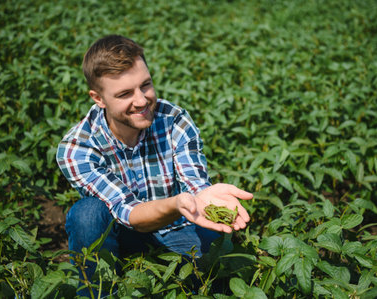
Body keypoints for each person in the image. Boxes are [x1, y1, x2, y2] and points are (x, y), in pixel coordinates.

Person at [56, 34, 253, 297]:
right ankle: (97, 292)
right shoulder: (77, 148)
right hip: (120, 232)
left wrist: (203, 196)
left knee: (220, 260)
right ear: (98, 98)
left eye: (145, 85)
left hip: (176, 226)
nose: (141, 101)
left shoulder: (174, 121)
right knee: (86, 215)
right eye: (125, 94)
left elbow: (195, 186)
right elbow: (129, 212)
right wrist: (176, 204)